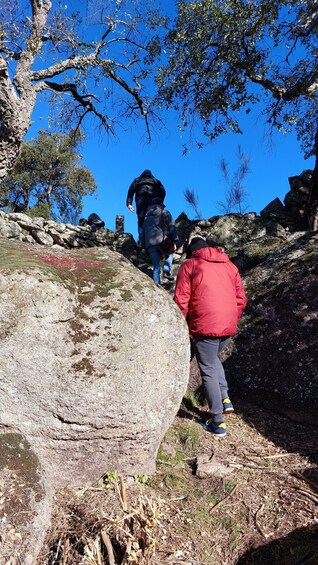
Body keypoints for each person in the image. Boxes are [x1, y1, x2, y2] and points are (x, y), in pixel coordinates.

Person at [174, 236, 247, 437]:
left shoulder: (190, 265)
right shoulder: (229, 265)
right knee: (213, 359)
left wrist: (179, 327)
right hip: (227, 326)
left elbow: (181, 300)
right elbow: (241, 299)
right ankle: (225, 398)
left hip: (205, 325)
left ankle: (217, 422)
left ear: (191, 251)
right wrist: (231, 320)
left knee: (207, 370)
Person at [141, 197, 178, 285]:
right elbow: (172, 226)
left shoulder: (146, 218)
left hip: (150, 245)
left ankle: (157, 287)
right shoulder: (165, 213)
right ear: (161, 205)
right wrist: (175, 240)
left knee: (156, 267)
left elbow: (143, 233)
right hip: (162, 241)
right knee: (170, 253)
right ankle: (166, 270)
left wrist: (143, 246)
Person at [126, 170, 166, 243]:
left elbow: (130, 191)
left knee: (141, 219)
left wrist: (129, 204)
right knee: (152, 219)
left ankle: (141, 240)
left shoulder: (137, 180)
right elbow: (163, 192)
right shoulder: (156, 181)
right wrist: (160, 201)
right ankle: (153, 240)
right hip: (152, 199)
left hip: (140, 199)